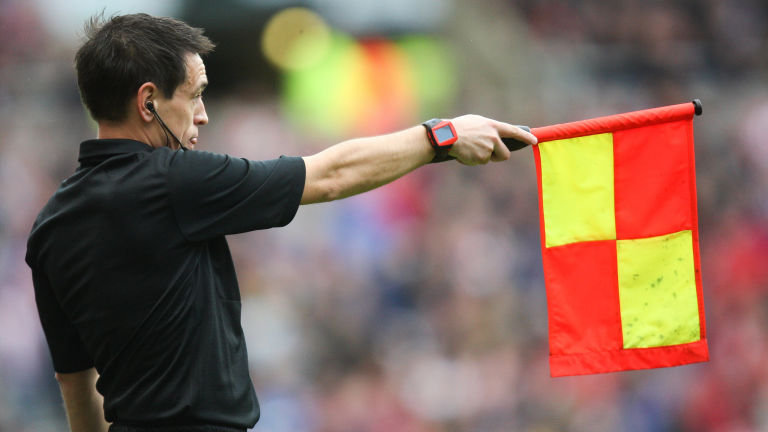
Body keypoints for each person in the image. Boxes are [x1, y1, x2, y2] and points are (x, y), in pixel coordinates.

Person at [25, 13, 537, 432]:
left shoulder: (50, 225)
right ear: (148, 101)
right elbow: (330, 176)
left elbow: (76, 382)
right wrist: (442, 136)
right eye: (195, 94)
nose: (203, 115)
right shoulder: (174, 181)